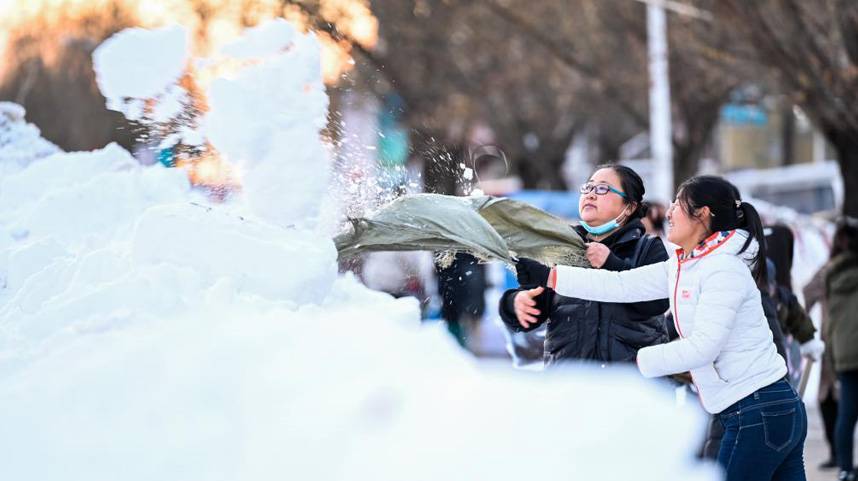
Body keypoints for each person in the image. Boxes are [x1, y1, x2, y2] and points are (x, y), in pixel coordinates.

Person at [516, 175, 806, 481]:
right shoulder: (687, 265)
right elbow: (621, 285)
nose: (667, 213)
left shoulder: (722, 269)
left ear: (702, 214)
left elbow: (703, 346)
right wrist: (550, 277)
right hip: (760, 409)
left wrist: (637, 362)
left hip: (757, 409)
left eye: (677, 204)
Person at [499, 164, 669, 367]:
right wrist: (515, 303)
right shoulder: (561, 249)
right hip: (570, 383)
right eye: (587, 188)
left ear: (629, 207)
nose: (590, 195)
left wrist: (611, 264)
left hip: (629, 384)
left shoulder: (648, 248)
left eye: (602, 189)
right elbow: (534, 305)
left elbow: (657, 303)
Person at [824, 219, 858, 481]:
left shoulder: (831, 273)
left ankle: (845, 468)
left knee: (846, 414)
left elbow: (831, 317)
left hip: (843, 352)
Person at [804, 261, 839, 470]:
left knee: (828, 397)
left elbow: (808, 292)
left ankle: (838, 455)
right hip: (838, 346)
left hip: (834, 342)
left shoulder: (829, 269)